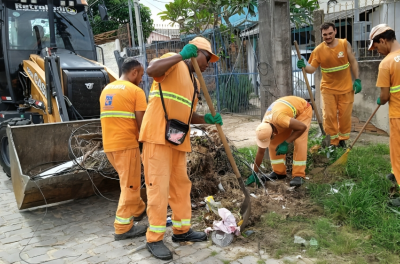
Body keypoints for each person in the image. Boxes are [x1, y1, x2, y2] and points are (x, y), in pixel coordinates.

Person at [139, 37, 222, 260]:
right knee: (158, 187)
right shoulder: (173, 62)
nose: (208, 64)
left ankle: (181, 230)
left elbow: (188, 115)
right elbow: (151, 69)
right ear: (196, 52)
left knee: (180, 186)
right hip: (157, 136)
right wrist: (181, 55)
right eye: (207, 58)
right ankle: (154, 238)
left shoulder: (194, 84)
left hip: (176, 138)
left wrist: (207, 119)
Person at [99, 58, 148, 241]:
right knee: (130, 185)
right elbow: (141, 122)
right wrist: (146, 143)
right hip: (126, 144)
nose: (141, 79)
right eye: (141, 75)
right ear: (134, 72)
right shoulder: (135, 91)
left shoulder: (106, 90)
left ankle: (138, 209)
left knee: (127, 180)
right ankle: (122, 227)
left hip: (110, 145)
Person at [297, 22, 361, 147]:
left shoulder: (344, 44)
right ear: (321, 35)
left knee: (345, 117)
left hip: (346, 88)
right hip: (328, 89)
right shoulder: (319, 50)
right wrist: (304, 66)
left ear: (335, 32)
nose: (328, 36)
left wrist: (357, 79)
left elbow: (353, 62)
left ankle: (342, 140)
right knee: (329, 117)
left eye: (330, 33)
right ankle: (333, 142)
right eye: (325, 34)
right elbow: (312, 69)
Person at [247, 96, 312, 187]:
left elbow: (302, 128)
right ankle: (279, 172)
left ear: (272, 132)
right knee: (274, 142)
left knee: (299, 140)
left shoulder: (280, 119)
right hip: (284, 114)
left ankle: (298, 175)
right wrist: (255, 172)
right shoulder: (264, 127)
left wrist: (286, 142)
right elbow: (260, 152)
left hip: (302, 109)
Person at [368, 24, 400, 206]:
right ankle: (396, 173)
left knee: (398, 152)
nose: (377, 51)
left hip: (398, 114)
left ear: (383, 40)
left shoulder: (386, 63)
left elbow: (385, 96)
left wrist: (380, 100)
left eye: (377, 47)